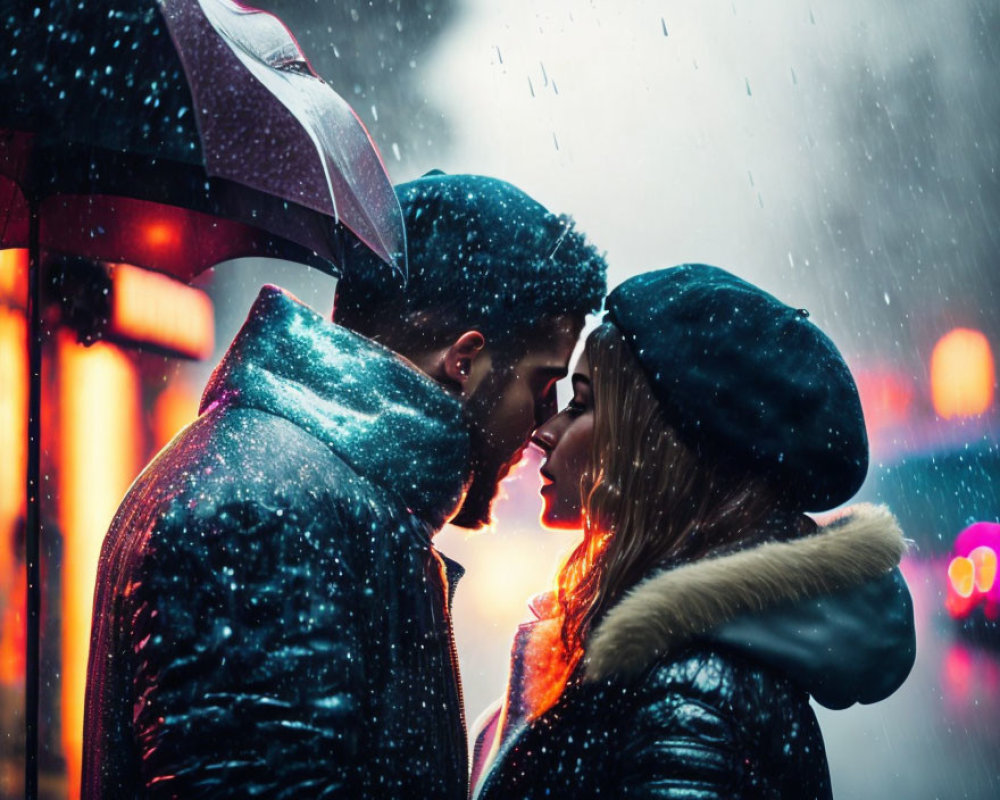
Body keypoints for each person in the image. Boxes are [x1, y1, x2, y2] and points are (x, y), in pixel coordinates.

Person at [82, 173, 607, 799]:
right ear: (466, 360)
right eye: (542, 384)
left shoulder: (309, 492)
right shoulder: (271, 513)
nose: (543, 425)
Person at [472, 264, 916, 799]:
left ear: (658, 450)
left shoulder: (687, 697)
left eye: (583, 404)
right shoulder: (672, 658)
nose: (545, 432)